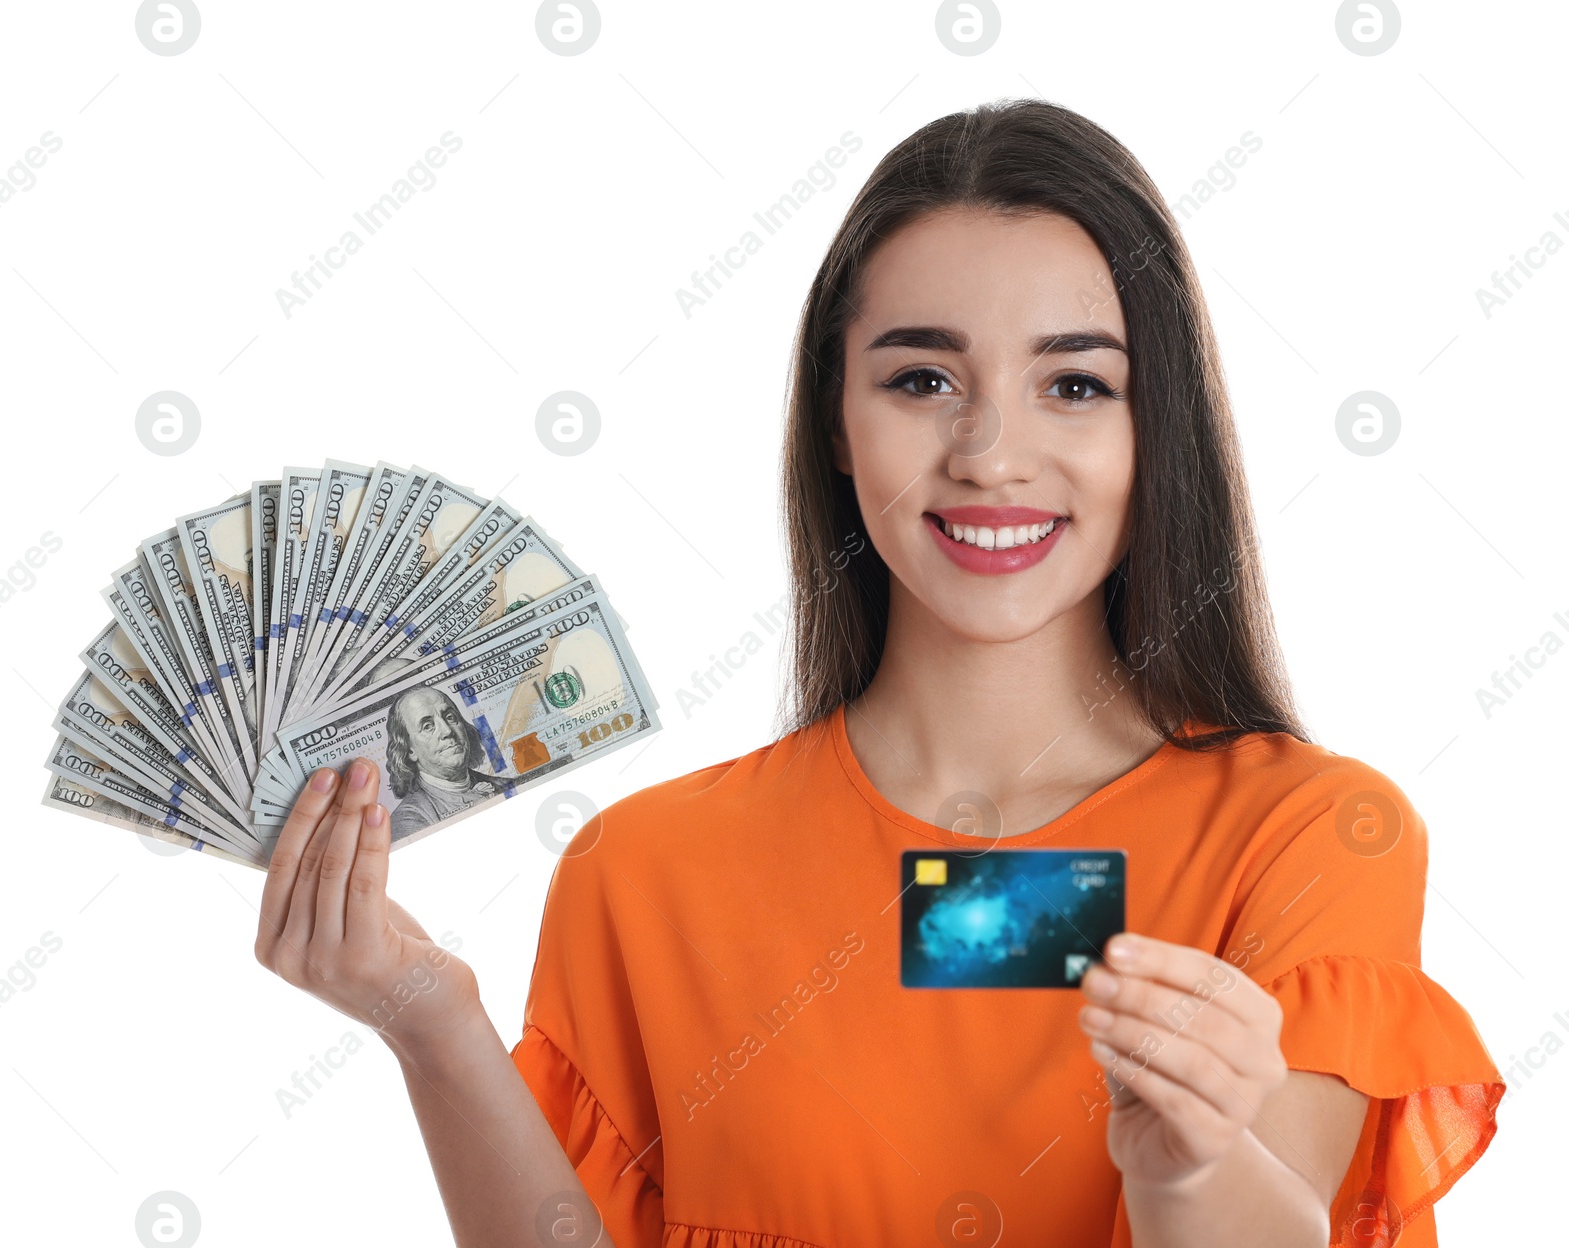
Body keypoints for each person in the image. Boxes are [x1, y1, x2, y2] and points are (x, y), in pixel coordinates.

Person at [253, 98, 1503, 1247]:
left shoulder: (1308, 834)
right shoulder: (641, 871)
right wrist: (431, 1025)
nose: (991, 452)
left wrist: (1186, 1172)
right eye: (922, 380)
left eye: (1074, 383)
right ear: (835, 425)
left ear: (1151, 426)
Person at [383, 685, 508, 840]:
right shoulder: (409, 821)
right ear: (410, 751)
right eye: (428, 726)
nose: (447, 731)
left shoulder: (506, 785)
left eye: (450, 717)